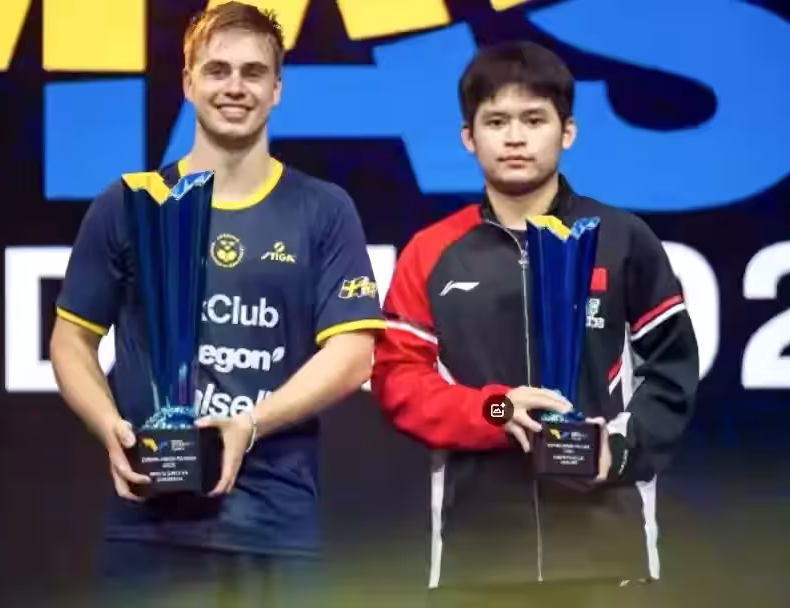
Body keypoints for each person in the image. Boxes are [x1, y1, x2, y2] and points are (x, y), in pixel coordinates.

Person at [49, 3, 385, 606]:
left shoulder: (323, 208)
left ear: (277, 88)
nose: (235, 86)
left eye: (254, 72)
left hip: (274, 525)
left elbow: (354, 353)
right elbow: (70, 340)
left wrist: (249, 424)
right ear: (188, 82)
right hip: (150, 521)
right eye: (217, 70)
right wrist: (110, 428)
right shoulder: (128, 203)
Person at [370, 41, 700, 607]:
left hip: (606, 549)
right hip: (479, 559)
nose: (515, 137)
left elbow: (672, 370)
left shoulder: (622, 239)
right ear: (468, 137)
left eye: (534, 119)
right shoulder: (432, 251)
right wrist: (496, 411)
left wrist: (619, 449)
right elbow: (399, 380)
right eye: (496, 121)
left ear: (567, 132)